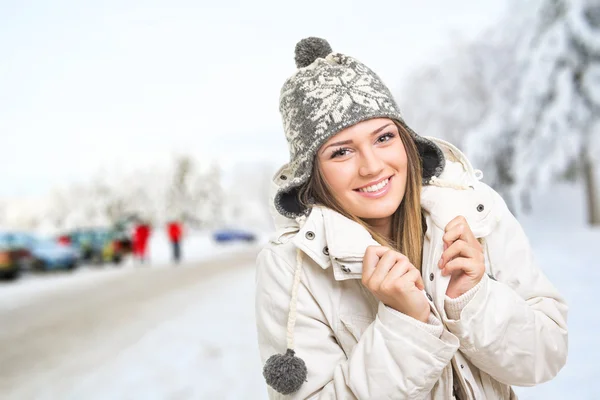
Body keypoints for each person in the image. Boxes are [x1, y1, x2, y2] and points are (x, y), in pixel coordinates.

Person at [255, 37, 568, 399]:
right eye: (341, 152)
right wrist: (406, 324)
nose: (372, 166)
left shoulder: (472, 210)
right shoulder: (291, 267)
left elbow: (546, 356)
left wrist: (473, 300)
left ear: (405, 140)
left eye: (384, 137)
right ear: (313, 173)